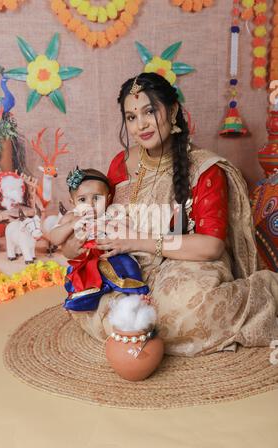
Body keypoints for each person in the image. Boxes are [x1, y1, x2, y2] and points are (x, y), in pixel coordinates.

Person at [62, 72, 278, 356]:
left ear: (173, 110)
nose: (141, 125)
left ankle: (266, 295)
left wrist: (137, 241)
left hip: (189, 262)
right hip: (134, 265)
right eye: (131, 117)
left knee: (179, 309)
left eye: (150, 111)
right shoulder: (121, 164)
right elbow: (100, 224)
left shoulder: (204, 169)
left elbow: (211, 246)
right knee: (89, 294)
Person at [50, 167, 149, 312]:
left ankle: (134, 296)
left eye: (96, 198)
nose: (90, 204)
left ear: (108, 198)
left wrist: (111, 225)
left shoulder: (111, 213)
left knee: (125, 265)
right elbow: (54, 237)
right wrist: (71, 225)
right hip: (87, 260)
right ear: (73, 202)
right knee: (83, 276)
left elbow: (129, 227)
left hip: (111, 255)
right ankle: (89, 299)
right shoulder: (72, 217)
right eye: (82, 199)